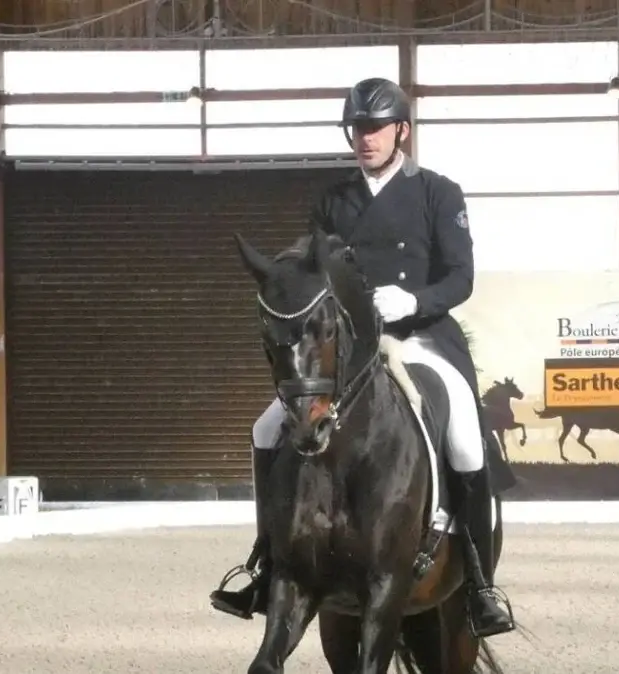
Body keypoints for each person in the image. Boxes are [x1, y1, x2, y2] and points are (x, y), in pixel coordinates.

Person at [209, 76, 515, 639]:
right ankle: (266, 561)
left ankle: (479, 581)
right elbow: (312, 271)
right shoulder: (333, 200)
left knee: (467, 438)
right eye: (357, 129)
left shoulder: (438, 193)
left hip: (421, 338)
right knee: (265, 429)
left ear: (401, 130)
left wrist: (414, 300)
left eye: (374, 128)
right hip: (352, 347)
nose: (364, 138)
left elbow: (461, 278)